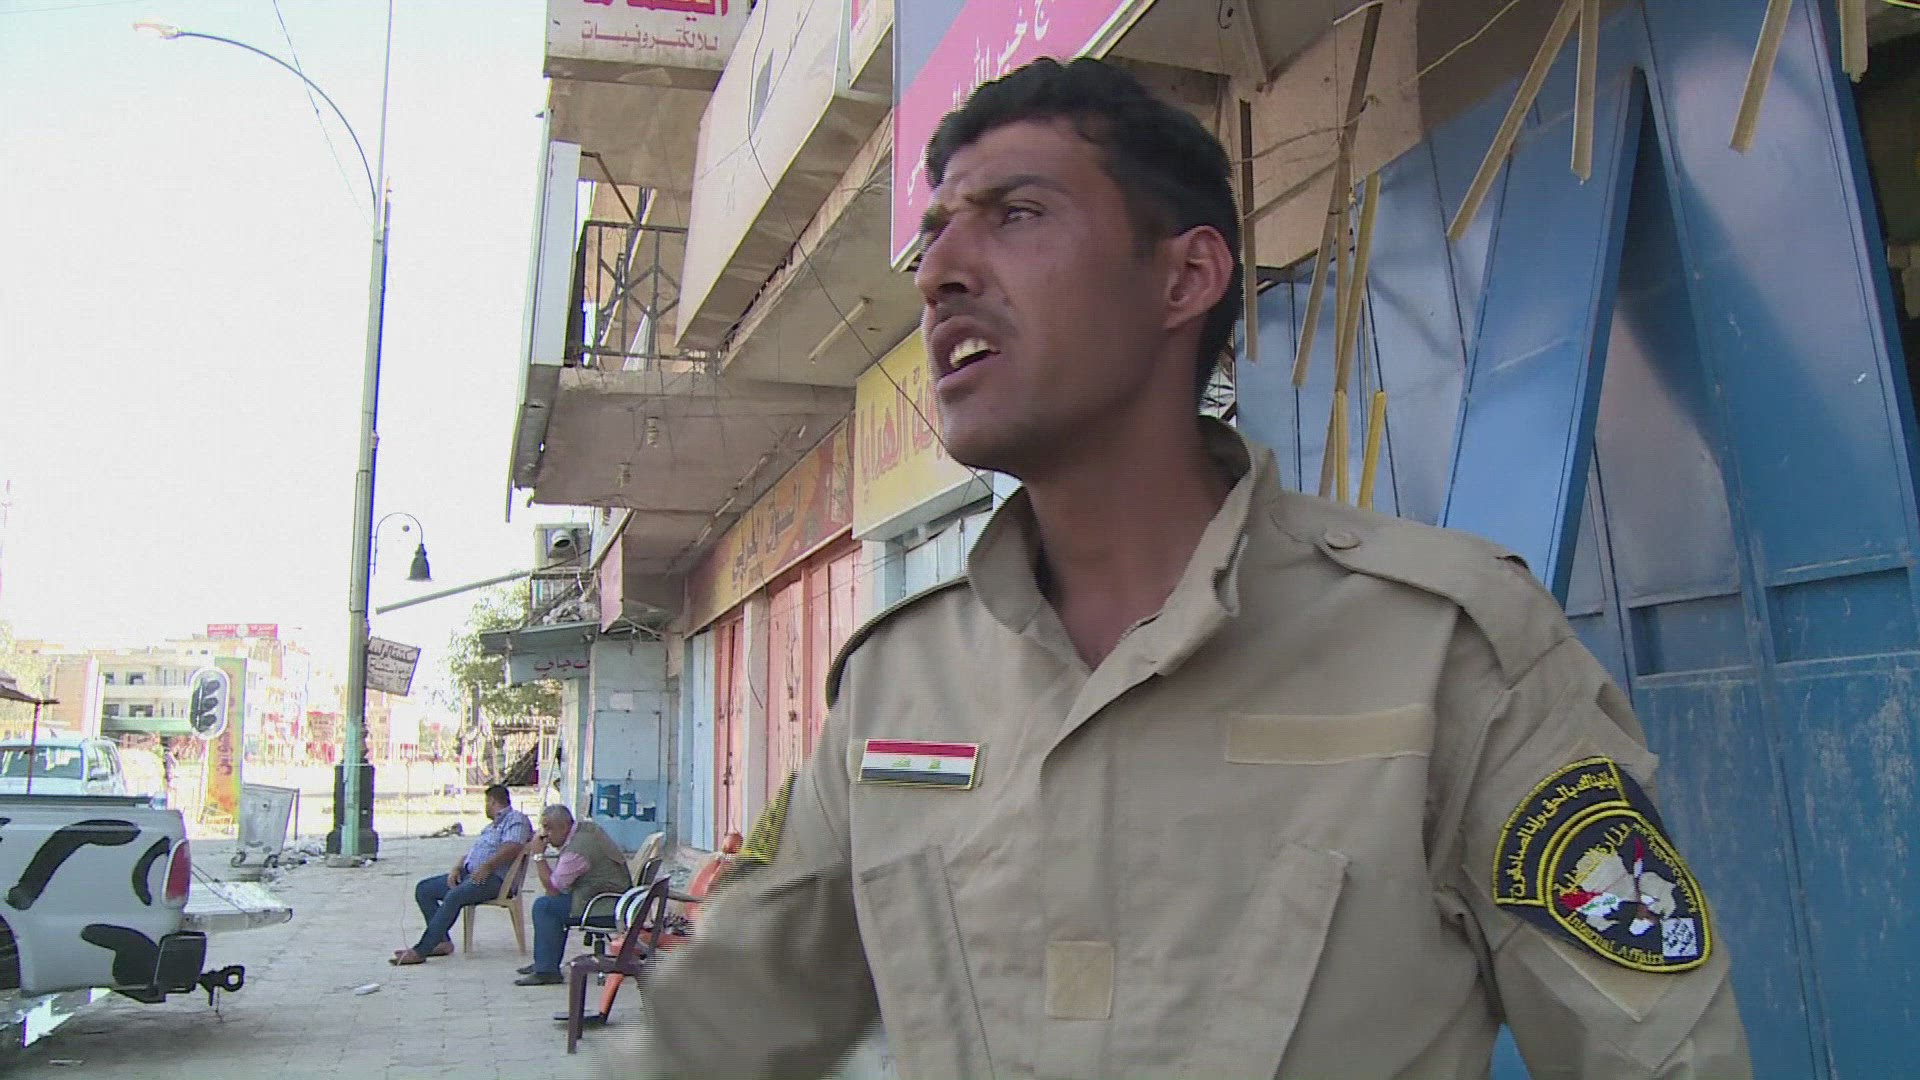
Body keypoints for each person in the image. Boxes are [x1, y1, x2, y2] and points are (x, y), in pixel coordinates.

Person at [603, 57, 1750, 1078]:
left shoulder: (1452, 650)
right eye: (935, 232)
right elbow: (713, 1035)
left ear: (1185, 277)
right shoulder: (894, 691)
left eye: (1015, 213)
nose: (939, 270)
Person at [393, 783, 531, 966]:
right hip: (471, 874)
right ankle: (441, 941)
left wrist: (488, 866)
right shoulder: (491, 827)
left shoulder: (515, 819)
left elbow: (513, 846)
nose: (485, 807)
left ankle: (420, 951)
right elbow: (474, 854)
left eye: (486, 802)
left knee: (454, 896)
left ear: (492, 801)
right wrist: (457, 867)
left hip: (494, 879)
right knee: (424, 889)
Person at [513, 804, 631, 986]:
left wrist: (538, 856)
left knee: (544, 906)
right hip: (610, 899)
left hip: (603, 906)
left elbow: (554, 888)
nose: (545, 835)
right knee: (553, 905)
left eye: (549, 828)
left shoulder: (577, 851)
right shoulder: (586, 829)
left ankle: (547, 970)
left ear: (564, 826)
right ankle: (545, 961)